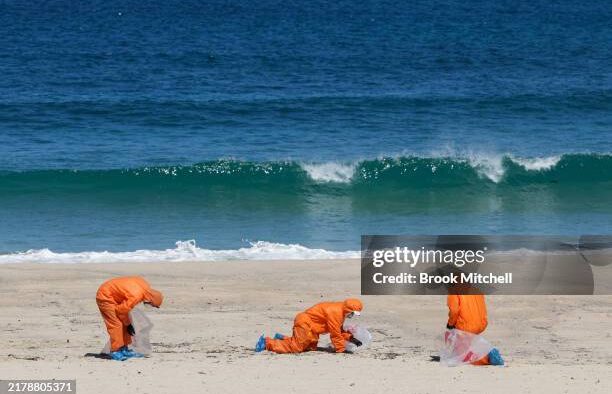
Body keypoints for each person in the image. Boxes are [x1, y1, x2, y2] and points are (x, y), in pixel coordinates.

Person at [256, 298, 363, 354]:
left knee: (309, 348)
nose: (352, 316)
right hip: (305, 323)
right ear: (348, 310)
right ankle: (266, 343)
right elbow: (335, 333)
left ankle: (282, 338)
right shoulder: (336, 312)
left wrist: (351, 338)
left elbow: (338, 330)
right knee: (296, 348)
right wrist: (341, 349)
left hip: (313, 329)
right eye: (353, 313)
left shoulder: (340, 312)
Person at [96, 276, 163, 361]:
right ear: (149, 300)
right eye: (151, 305)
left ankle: (124, 349)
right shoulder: (136, 296)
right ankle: (115, 351)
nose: (148, 306)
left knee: (125, 322)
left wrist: (127, 323)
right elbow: (120, 311)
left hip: (114, 295)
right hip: (105, 296)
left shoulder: (145, 288)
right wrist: (128, 324)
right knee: (116, 324)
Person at [446, 293, 503, 365]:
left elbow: (454, 310)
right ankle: (486, 353)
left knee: (463, 356)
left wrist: (450, 324)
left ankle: (488, 356)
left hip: (466, 325)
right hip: (481, 323)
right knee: (466, 346)